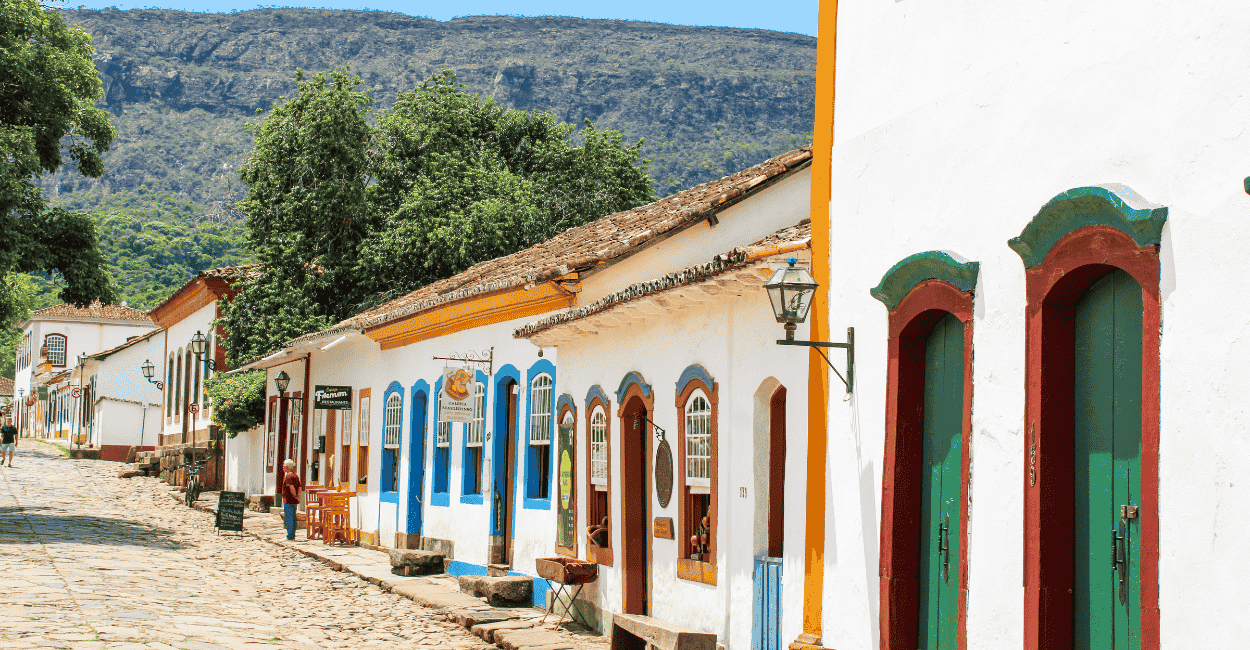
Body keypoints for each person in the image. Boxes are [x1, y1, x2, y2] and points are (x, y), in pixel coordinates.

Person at [281, 459, 303, 541]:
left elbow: (291, 487)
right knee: (293, 517)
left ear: (287, 467)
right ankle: (292, 535)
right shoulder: (296, 475)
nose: (283, 468)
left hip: (289, 499)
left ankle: (290, 536)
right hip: (294, 500)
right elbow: (300, 488)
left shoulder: (289, 476)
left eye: (284, 466)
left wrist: (295, 496)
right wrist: (299, 497)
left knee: (289, 517)